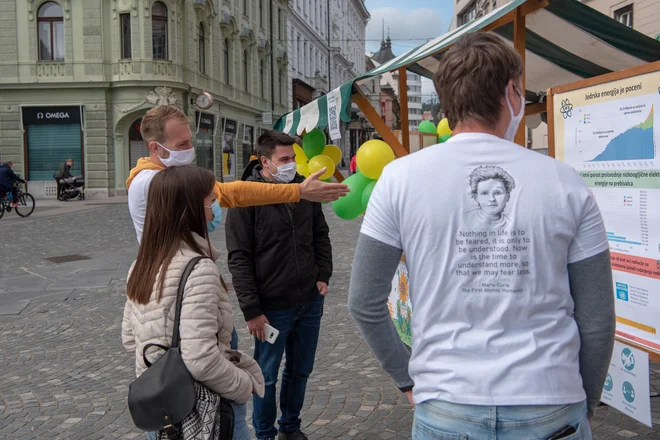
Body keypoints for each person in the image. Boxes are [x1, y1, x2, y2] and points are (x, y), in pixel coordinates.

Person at [348, 32, 615, 439]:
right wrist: (586, 401)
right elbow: (596, 319)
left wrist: (408, 380)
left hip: (446, 404)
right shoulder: (565, 182)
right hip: (550, 400)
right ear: (512, 92)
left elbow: (364, 301)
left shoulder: (398, 179)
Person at [122, 166, 264, 440]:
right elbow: (200, 358)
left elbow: (130, 339)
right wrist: (242, 386)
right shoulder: (199, 269)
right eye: (211, 200)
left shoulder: (141, 264)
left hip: (159, 407)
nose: (215, 207)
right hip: (204, 411)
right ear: (190, 208)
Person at [225, 130, 333, 440]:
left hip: (309, 300)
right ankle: (264, 434)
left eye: (293, 158)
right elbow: (239, 257)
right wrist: (251, 310)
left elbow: (320, 235)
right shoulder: (245, 197)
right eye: (284, 159)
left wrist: (323, 274)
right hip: (271, 308)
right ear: (265, 162)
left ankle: (290, 429)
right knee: (267, 376)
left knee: (300, 370)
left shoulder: (303, 187)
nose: (291, 165)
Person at [126, 105, 349, 244]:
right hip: (173, 281)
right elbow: (234, 192)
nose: (189, 148)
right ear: (155, 148)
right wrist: (299, 191)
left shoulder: (164, 173)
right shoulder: (151, 180)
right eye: (182, 144)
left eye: (190, 141)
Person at [464, 165, 515, 230]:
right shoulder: (464, 218)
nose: (492, 199)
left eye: (497, 193)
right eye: (484, 193)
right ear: (476, 197)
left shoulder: (512, 224)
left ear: (507, 196)